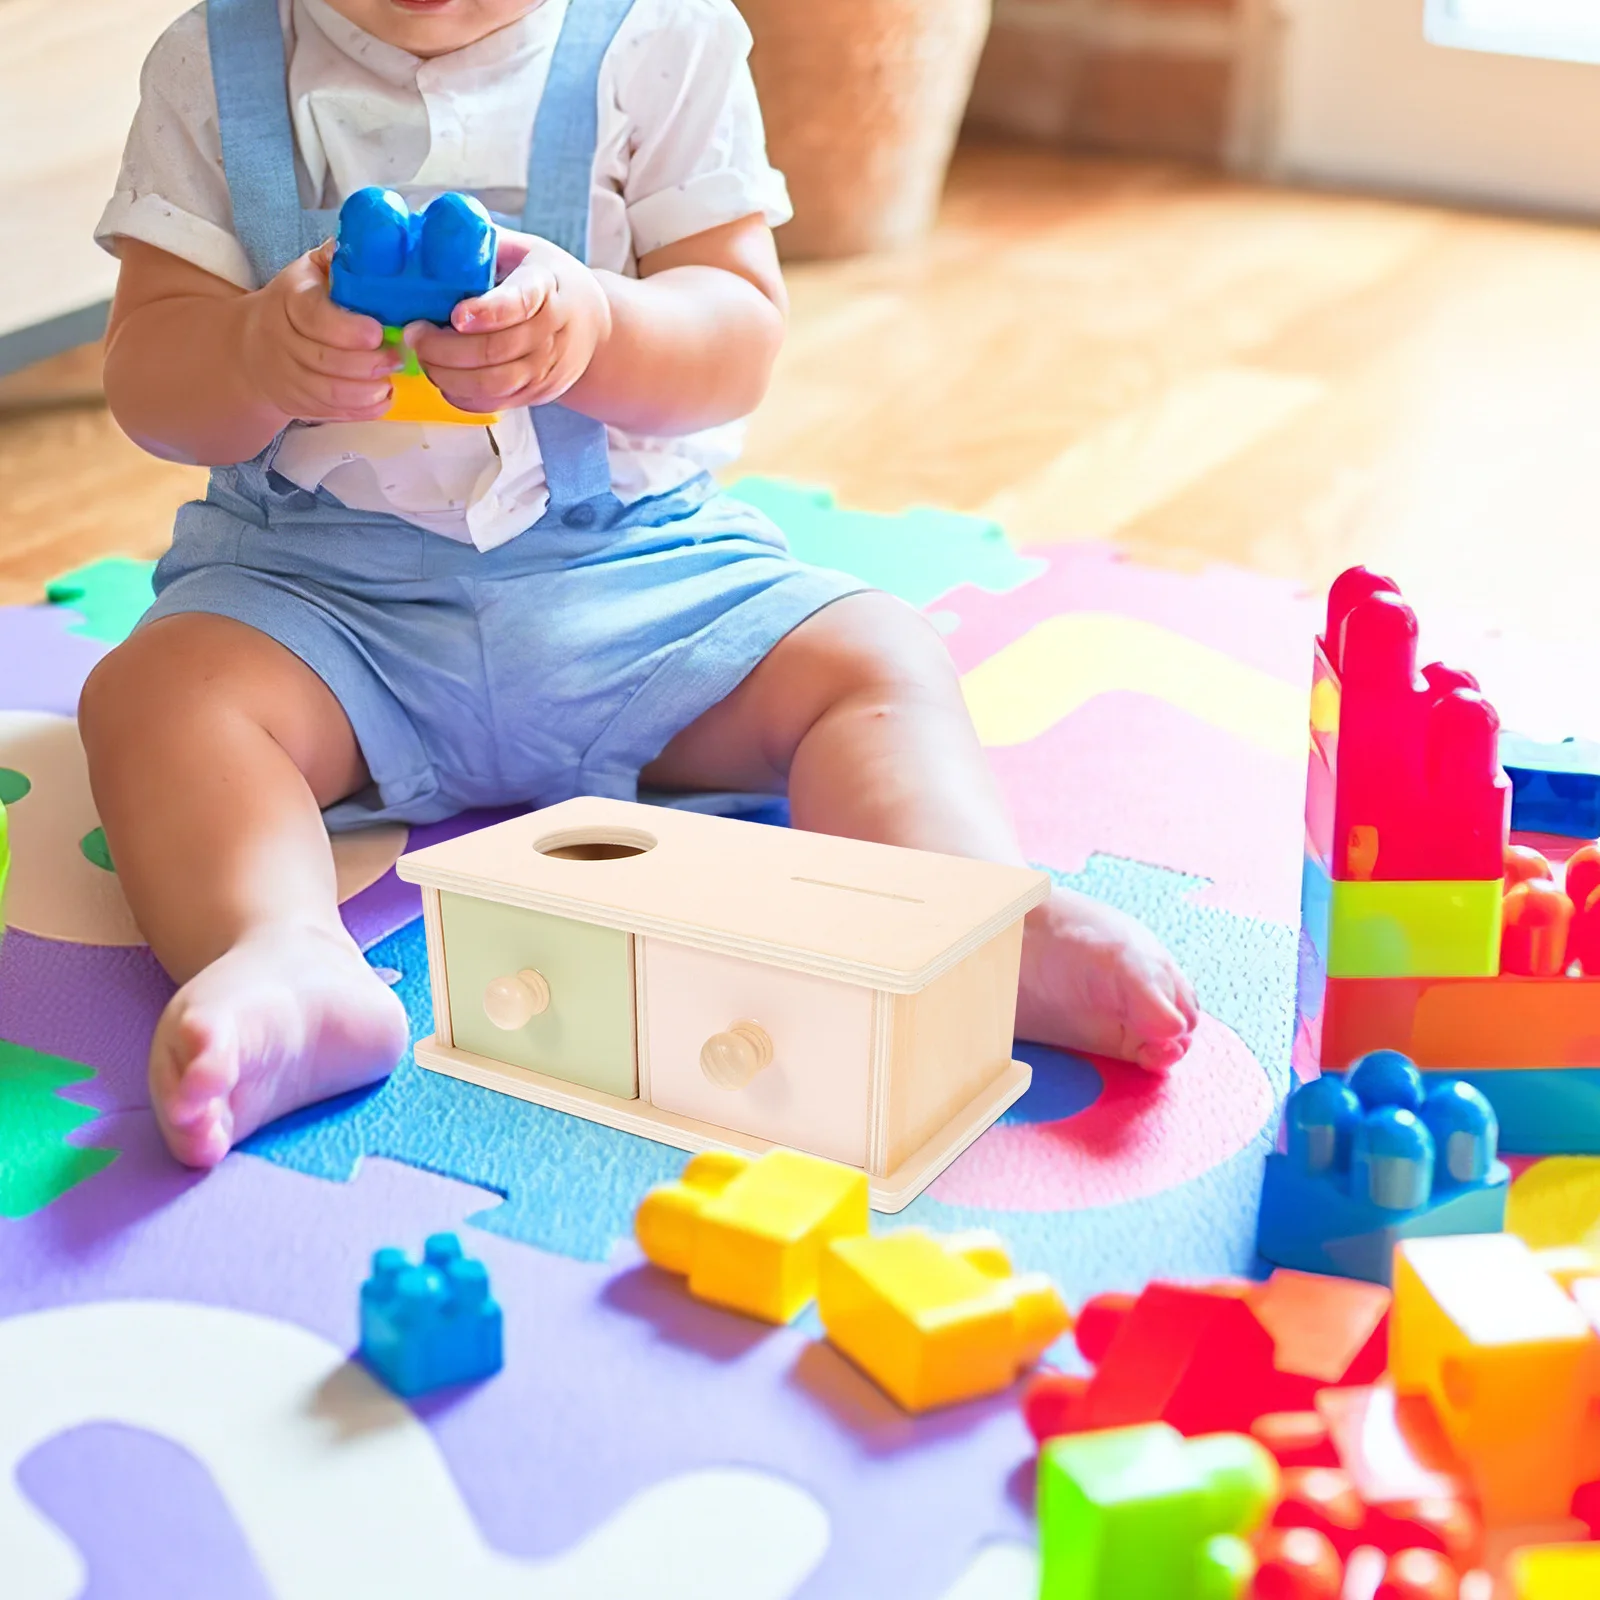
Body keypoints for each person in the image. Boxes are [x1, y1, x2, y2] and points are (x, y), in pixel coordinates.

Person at [85, 0, 1199, 1168]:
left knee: (874, 656)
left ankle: (969, 915)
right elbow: (149, 370)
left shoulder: (660, 42)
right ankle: (283, 955)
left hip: (630, 572)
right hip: (317, 603)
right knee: (153, 699)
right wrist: (252, 351)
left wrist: (598, 329)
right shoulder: (211, 66)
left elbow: (737, 334)